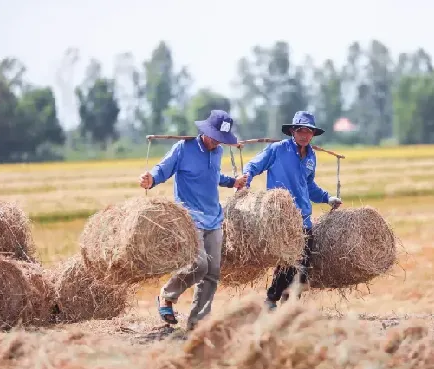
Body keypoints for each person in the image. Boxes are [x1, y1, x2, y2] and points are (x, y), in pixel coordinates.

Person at [139, 110, 247, 330]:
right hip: (190, 217)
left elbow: (213, 176)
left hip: (214, 218)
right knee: (199, 265)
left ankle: (198, 323)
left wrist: (232, 182)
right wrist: (151, 179)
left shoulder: (217, 152)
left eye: (221, 139)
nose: (217, 142)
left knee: (213, 272)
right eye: (215, 136)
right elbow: (163, 169)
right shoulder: (183, 148)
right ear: (205, 131)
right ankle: (167, 295)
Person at [242, 111, 342, 310]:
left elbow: (309, 185)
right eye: (301, 131)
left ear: (313, 134)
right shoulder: (277, 149)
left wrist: (327, 198)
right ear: (293, 131)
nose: (305, 135)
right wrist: (246, 180)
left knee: (303, 267)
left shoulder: (311, 155)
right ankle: (271, 299)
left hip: (304, 217)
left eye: (309, 131)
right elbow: (254, 165)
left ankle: (289, 307)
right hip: (282, 216)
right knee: (288, 261)